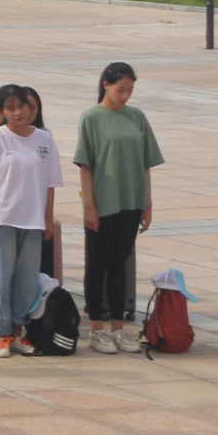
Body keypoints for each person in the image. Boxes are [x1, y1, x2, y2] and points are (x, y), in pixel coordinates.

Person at [73, 61, 162, 353]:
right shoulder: (91, 118)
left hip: (130, 201)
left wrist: (147, 203)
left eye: (130, 90)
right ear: (106, 85)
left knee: (119, 265)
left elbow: (145, 164)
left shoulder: (137, 117)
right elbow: (85, 165)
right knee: (97, 264)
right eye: (121, 89)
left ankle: (117, 328)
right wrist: (89, 206)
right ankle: (96, 328)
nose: (125, 95)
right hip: (103, 201)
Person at [0, 84, 63, 359]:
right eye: (10, 108)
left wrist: (48, 220)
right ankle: (2, 334)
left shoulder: (44, 140)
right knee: (1, 279)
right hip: (3, 219)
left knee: (26, 280)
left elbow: (50, 184)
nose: (18, 113)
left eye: (22, 106)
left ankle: (19, 328)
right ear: (2, 111)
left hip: (33, 221)